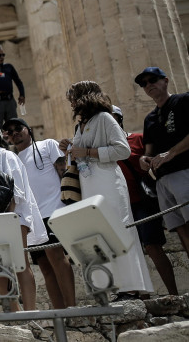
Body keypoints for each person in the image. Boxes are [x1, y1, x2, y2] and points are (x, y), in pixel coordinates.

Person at [59, 81, 153, 301]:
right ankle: (114, 286)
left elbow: (123, 150)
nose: (71, 103)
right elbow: (82, 154)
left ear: (83, 97)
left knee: (118, 229)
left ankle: (130, 288)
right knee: (99, 234)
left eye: (73, 97)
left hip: (108, 181)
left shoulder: (105, 118)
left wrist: (88, 151)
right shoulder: (82, 124)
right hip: (90, 184)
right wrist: (70, 148)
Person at [3, 117, 76, 309]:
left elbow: (64, 172)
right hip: (32, 218)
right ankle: (61, 311)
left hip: (53, 210)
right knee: (44, 266)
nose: (15, 132)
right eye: (9, 131)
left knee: (57, 258)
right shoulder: (13, 159)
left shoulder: (47, 145)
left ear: (28, 129)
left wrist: (69, 204)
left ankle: (72, 307)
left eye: (18, 127)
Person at [0, 123, 46, 311]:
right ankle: (12, 311)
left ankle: (30, 312)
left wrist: (7, 217)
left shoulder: (6, 156)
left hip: (14, 216)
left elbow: (16, 189)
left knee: (21, 264)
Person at [111, 105, 178, 295]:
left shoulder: (138, 139)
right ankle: (141, 294)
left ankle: (174, 294)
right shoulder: (103, 147)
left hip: (141, 201)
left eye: (112, 116)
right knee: (128, 251)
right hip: (120, 206)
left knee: (152, 246)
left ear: (120, 118)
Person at [137, 66, 189, 262]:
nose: (148, 85)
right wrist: (144, 159)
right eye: (144, 83)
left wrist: (171, 153)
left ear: (165, 80)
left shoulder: (183, 101)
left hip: (184, 171)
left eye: (152, 80)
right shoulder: (149, 118)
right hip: (162, 181)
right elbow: (148, 151)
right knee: (180, 228)